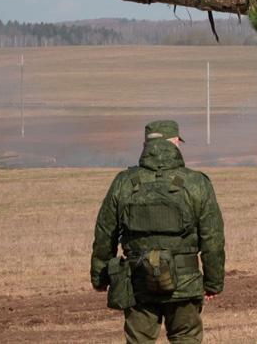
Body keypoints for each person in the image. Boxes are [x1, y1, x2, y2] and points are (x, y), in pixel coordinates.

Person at [91, 120, 225, 343]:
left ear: (145, 145)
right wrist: (213, 282)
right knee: (186, 338)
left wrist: (100, 276)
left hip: (138, 281)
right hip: (185, 282)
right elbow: (212, 238)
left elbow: (105, 233)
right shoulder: (196, 183)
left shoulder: (124, 182)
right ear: (174, 142)